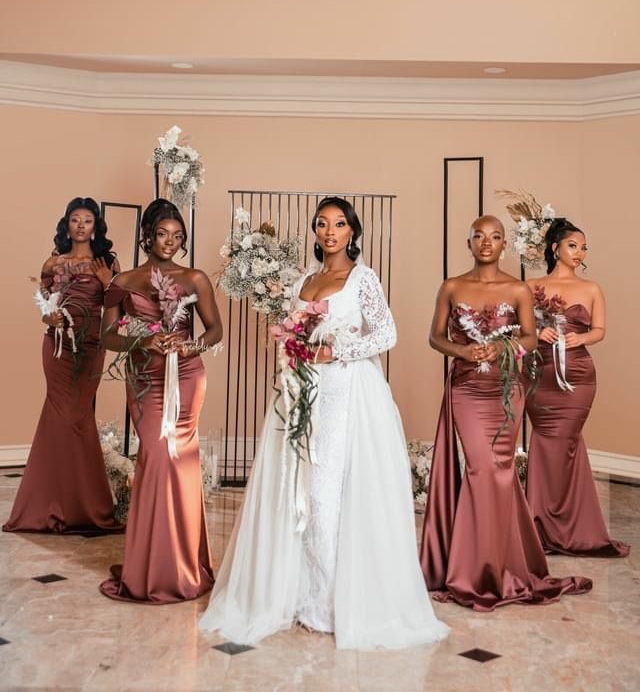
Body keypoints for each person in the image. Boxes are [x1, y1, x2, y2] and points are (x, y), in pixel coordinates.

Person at [200, 197, 448, 649]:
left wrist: (337, 350)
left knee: (326, 493)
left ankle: (334, 600)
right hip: (302, 393)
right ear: (315, 232)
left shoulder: (362, 279)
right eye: (322, 224)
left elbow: (386, 333)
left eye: (338, 224)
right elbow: (294, 334)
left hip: (347, 393)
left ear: (352, 231)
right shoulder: (304, 281)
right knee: (296, 488)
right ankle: (301, 591)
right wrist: (294, 352)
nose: (330, 231)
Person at [420, 215, 592, 610]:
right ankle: (476, 570)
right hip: (465, 387)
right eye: (479, 236)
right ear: (469, 244)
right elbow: (434, 337)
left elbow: (530, 339)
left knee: (498, 472)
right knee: (481, 469)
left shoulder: (517, 289)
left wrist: (503, 349)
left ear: (504, 245)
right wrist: (462, 351)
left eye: (495, 237)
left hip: (505, 390)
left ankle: (501, 565)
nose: (486, 242)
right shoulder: (451, 286)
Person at [99, 199, 222, 603]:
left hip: (186, 376)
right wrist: (142, 338)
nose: (170, 242)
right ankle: (149, 564)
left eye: (178, 236)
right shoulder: (124, 281)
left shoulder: (195, 277)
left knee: (180, 459)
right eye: (163, 234)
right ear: (148, 235)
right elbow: (107, 336)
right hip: (145, 378)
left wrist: (190, 346)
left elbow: (215, 330)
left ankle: (184, 564)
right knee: (154, 456)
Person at [4, 197, 122, 534]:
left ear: (96, 225)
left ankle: (87, 506)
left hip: (92, 345)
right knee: (59, 416)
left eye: (88, 219)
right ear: (66, 224)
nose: (81, 225)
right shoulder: (53, 262)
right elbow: (43, 305)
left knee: (78, 416)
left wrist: (107, 282)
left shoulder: (106, 261)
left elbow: (119, 305)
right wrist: (50, 316)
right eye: (75, 219)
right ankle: (49, 506)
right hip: (57, 347)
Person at [525, 217, 629, 557]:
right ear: (555, 248)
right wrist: (538, 333)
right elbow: (516, 328)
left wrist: (578, 337)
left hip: (578, 376)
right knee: (543, 442)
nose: (580, 252)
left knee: (566, 443)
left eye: (584, 247)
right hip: (540, 373)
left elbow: (600, 330)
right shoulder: (530, 287)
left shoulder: (591, 288)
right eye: (573, 245)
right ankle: (538, 524)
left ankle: (572, 528)